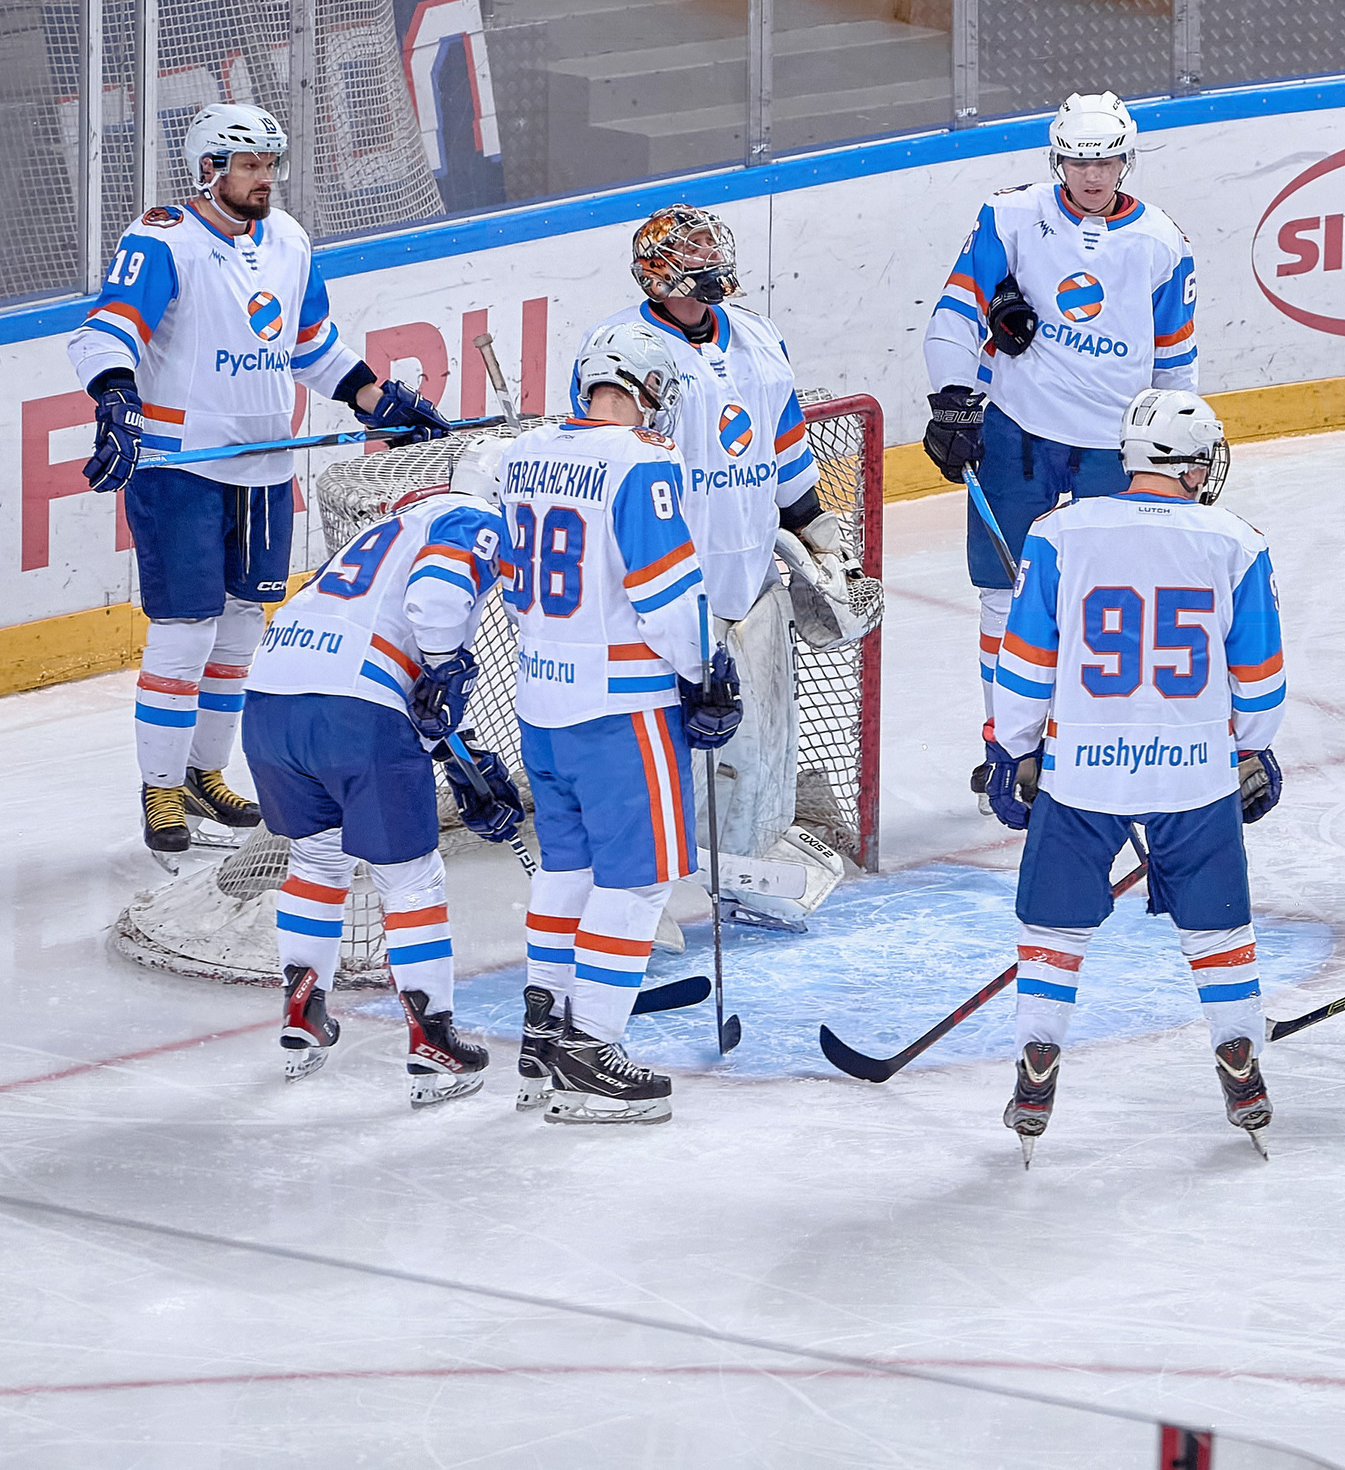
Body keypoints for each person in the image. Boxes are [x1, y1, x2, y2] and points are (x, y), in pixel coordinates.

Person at [65, 102, 451, 860]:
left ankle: (207, 773)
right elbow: (107, 327)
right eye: (248, 166)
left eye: (270, 165)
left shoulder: (289, 239)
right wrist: (114, 397)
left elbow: (309, 346)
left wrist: (377, 399)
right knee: (184, 634)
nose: (263, 179)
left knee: (242, 630)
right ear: (208, 170)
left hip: (266, 465)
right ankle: (161, 789)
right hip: (181, 467)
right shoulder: (163, 238)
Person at [984, 390, 1286, 1163]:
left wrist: (1012, 751)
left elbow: (1023, 666)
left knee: (1053, 926)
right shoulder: (1237, 542)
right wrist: (1251, 750)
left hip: (1082, 771)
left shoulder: (1057, 533)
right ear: (1192, 466)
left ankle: (1039, 1053)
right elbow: (1259, 675)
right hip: (1193, 775)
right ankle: (1239, 1053)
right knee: (1219, 929)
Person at [575, 204, 871, 929]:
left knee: (762, 735)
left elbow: (786, 448)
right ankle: (654, 883)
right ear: (658, 267)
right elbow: (610, 466)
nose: (711, 258)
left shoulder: (758, 335)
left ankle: (741, 870)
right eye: (695, 249)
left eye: (713, 244)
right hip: (666, 582)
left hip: (751, 572)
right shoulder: (625, 346)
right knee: (667, 741)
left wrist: (818, 535)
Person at [919, 91, 1201, 805]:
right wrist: (954, 398)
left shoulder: (1163, 241)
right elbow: (955, 310)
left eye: (1105, 160)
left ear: (1126, 160)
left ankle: (1093, 741)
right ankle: (1003, 746)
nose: (1092, 175)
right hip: (1019, 430)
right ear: (1058, 159)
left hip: (1116, 445)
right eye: (1078, 160)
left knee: (1108, 600)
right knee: (1002, 597)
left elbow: (1176, 362)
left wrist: (1179, 447)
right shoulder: (1010, 216)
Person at [501, 323, 741, 1125]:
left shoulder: (523, 455)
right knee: (637, 882)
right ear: (647, 389)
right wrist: (705, 667)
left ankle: (544, 1031)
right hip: (621, 710)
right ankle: (590, 1051)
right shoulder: (641, 462)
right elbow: (667, 595)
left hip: (540, 702)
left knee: (566, 871)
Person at [241, 440, 520, 1103]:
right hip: (354, 713)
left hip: (270, 704)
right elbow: (435, 602)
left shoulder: (385, 530)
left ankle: (303, 1015)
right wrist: (450, 667)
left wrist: (459, 750)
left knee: (319, 859)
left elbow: (389, 662)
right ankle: (433, 1043)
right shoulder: (472, 516)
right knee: (411, 875)